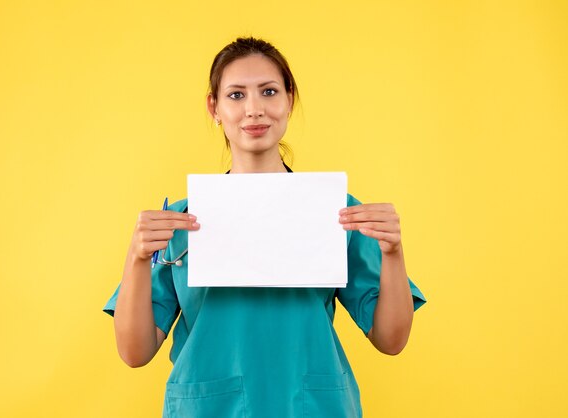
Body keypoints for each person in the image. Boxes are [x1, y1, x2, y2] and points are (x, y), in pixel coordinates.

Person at [103, 36, 427, 418]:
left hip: (313, 407)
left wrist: (393, 252)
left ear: (289, 99)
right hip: (210, 407)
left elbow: (391, 340)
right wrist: (137, 257)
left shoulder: (336, 212)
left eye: (269, 92)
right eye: (236, 95)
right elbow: (135, 352)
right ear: (215, 107)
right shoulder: (180, 222)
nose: (254, 110)